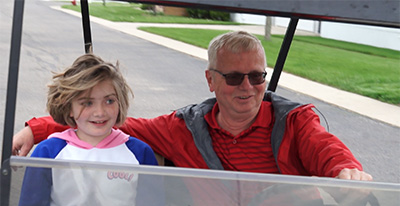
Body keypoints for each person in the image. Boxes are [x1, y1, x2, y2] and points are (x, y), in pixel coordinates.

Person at [13, 31, 371, 180]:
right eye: (233, 78)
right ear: (211, 81)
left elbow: (328, 151)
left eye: (257, 76)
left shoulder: (294, 121)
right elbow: (110, 123)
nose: (248, 87)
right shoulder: (184, 127)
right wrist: (38, 128)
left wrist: (346, 170)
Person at [15, 54, 159, 206]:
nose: (100, 112)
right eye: (87, 103)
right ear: (69, 107)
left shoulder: (140, 153)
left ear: (120, 103)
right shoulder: (48, 152)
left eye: (109, 101)